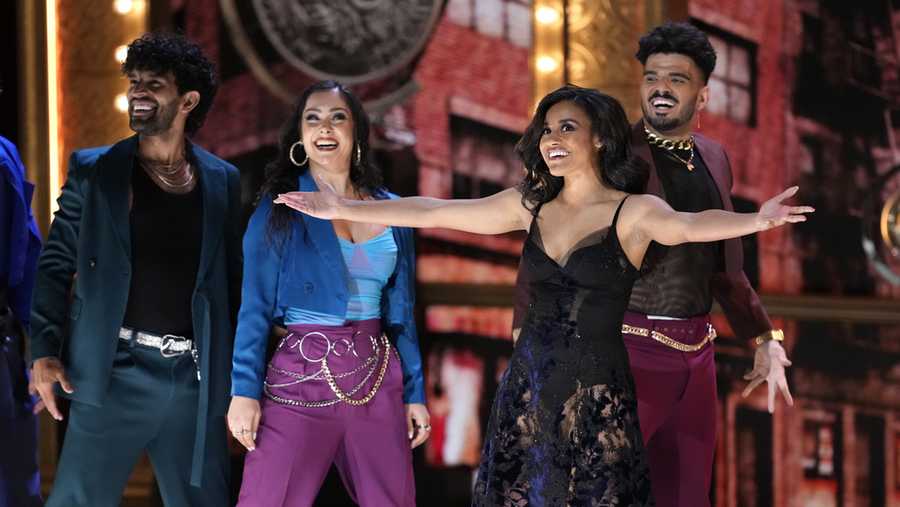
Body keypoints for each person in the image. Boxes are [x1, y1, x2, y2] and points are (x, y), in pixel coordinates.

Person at [274, 84, 812, 506]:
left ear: (599, 137)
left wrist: (757, 220)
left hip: (599, 400)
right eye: (547, 129)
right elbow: (433, 210)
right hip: (529, 395)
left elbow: (695, 225)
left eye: (567, 128)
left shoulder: (634, 212)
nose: (551, 139)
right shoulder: (528, 204)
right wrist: (343, 209)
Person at [28, 32, 241, 506]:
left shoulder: (223, 181)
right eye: (134, 82)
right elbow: (55, 264)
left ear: (188, 100)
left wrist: (241, 381)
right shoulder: (94, 171)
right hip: (111, 372)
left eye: (154, 84)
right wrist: (42, 350)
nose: (139, 92)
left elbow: (233, 288)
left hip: (194, 381)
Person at [228, 80, 429, 507]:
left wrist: (414, 393)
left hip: (377, 378)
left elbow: (404, 313)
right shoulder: (279, 207)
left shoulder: (392, 208)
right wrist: (243, 392)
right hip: (299, 376)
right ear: (300, 137)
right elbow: (254, 307)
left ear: (356, 133)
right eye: (313, 118)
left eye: (338, 118)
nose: (325, 127)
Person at [624, 22, 794, 507]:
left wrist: (763, 338)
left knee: (688, 493)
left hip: (697, 352)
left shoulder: (716, 157)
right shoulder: (612, 152)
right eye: (652, 76)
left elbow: (725, 267)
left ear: (702, 96)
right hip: (627, 346)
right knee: (607, 491)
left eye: (676, 79)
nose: (660, 88)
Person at [0, 70, 43, 507]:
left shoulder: (4, 154)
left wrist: (41, 351)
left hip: (4, 344)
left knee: (14, 486)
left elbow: (26, 256)